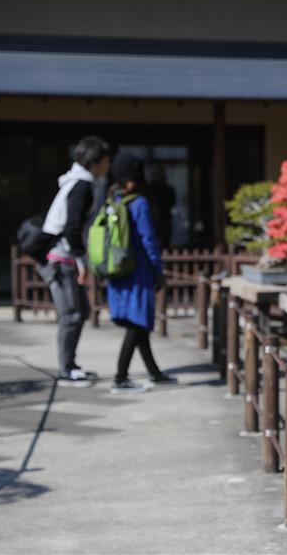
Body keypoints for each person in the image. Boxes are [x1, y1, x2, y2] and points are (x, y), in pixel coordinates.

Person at [40, 136, 111, 387]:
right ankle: (65, 368)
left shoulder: (75, 181)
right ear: (94, 162)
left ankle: (70, 365)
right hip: (61, 258)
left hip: (63, 255)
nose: (108, 165)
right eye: (105, 160)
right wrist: (82, 261)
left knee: (79, 311)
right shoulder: (81, 185)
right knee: (71, 314)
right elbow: (71, 228)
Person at [105, 153, 174, 393]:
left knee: (139, 325)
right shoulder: (139, 203)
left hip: (118, 271)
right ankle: (120, 378)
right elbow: (148, 241)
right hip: (138, 272)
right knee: (137, 324)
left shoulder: (112, 199)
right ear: (134, 179)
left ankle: (155, 373)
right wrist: (158, 272)